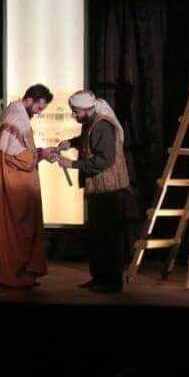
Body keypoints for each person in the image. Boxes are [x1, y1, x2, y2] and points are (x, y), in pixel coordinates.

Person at [0, 84, 56, 287]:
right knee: (15, 229)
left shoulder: (18, 116)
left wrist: (41, 153)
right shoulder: (16, 118)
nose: (39, 113)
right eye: (39, 108)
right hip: (13, 186)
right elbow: (13, 155)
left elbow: (18, 152)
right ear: (30, 100)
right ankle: (13, 276)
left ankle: (22, 273)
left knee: (22, 228)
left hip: (18, 182)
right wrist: (41, 154)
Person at [56, 90, 131, 293]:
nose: (74, 115)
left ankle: (111, 282)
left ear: (87, 109)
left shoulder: (102, 126)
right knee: (98, 236)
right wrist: (70, 143)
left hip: (109, 190)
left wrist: (72, 164)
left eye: (76, 111)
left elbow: (105, 160)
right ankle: (99, 277)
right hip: (98, 190)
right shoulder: (91, 122)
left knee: (109, 239)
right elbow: (87, 139)